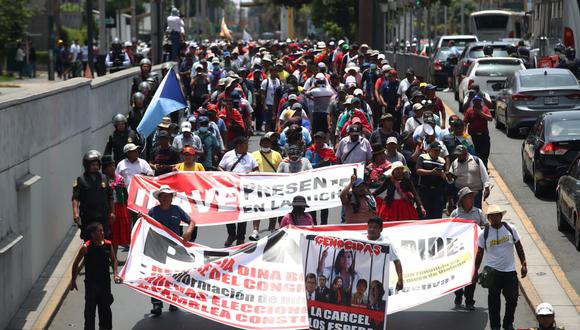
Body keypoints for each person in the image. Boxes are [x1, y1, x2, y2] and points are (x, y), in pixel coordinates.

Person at [473, 205, 527, 330]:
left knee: (513, 299)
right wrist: (475, 270)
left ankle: (508, 323)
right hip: (493, 273)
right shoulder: (484, 233)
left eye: (497, 215)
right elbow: (480, 253)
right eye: (492, 216)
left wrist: (524, 263)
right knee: (494, 303)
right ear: (489, 218)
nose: (495, 218)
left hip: (509, 272)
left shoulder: (510, 229)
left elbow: (518, 246)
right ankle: (495, 326)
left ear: (501, 216)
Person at [147, 185, 196, 315]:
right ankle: (157, 304)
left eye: (168, 196)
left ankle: (173, 301)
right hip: (157, 247)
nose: (166, 198)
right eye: (163, 196)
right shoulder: (152, 212)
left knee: (175, 274)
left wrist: (188, 232)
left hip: (175, 247)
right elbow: (145, 227)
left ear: (172, 198)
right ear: (159, 198)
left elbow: (191, 221)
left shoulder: (177, 210)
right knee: (157, 275)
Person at [70, 222, 121, 330]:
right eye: (99, 231)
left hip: (105, 285)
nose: (103, 233)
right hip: (91, 286)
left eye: (102, 230)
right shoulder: (86, 247)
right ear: (93, 234)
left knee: (105, 314)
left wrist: (115, 274)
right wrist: (73, 280)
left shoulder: (108, 244)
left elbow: (113, 260)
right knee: (89, 315)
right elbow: (75, 264)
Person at [450, 187, 486, 310]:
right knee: (459, 273)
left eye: (472, 196)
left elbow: (486, 226)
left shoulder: (479, 213)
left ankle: (469, 300)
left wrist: (480, 229)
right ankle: (458, 294)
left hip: (474, 249)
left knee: (472, 274)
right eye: (468, 197)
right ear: (462, 200)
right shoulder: (455, 213)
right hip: (459, 249)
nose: (471, 199)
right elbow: (449, 230)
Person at [219, 137, 259, 246]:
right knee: (229, 212)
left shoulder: (250, 157)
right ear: (238, 146)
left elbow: (256, 170)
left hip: (244, 189)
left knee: (242, 213)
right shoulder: (228, 155)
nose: (247, 146)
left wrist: (251, 176)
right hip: (229, 189)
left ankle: (241, 237)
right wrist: (227, 175)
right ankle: (231, 234)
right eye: (245, 144)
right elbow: (220, 167)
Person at [72, 150, 114, 241]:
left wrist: (112, 212)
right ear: (87, 166)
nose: (95, 167)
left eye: (97, 164)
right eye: (93, 165)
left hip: (102, 216)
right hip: (88, 217)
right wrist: (75, 213)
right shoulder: (81, 180)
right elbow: (75, 198)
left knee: (104, 239)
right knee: (89, 240)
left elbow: (110, 197)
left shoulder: (104, 178)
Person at [250, 135, 282, 238]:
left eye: (267, 143)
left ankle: (272, 228)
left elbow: (281, 169)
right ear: (260, 144)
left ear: (271, 144)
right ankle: (255, 230)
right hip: (258, 186)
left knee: (273, 207)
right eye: (263, 143)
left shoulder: (277, 155)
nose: (266, 144)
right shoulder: (253, 155)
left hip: (273, 185)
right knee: (257, 208)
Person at [101, 155, 130, 259]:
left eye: (113, 165)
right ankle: (108, 256)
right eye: (110, 166)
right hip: (109, 210)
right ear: (104, 169)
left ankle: (114, 257)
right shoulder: (103, 181)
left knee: (117, 235)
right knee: (110, 234)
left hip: (120, 208)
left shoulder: (120, 179)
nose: (113, 167)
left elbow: (125, 194)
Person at [365, 217, 404, 293]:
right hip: (363, 278)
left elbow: (396, 261)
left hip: (379, 281)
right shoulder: (360, 240)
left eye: (375, 227)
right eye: (370, 227)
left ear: (381, 229)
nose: (372, 229)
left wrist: (400, 279)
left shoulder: (386, 244)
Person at [448, 145, 490, 209]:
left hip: (475, 193)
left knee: (475, 212)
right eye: (457, 155)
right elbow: (451, 180)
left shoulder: (476, 160)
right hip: (461, 194)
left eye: (460, 155)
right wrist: (449, 178)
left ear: (466, 153)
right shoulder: (454, 163)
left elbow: (484, 174)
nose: (458, 157)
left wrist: (487, 187)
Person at [416, 142, 447, 219]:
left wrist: (443, 175)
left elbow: (444, 173)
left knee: (437, 214)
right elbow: (418, 170)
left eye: (439, 151)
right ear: (430, 150)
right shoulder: (422, 157)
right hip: (425, 190)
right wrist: (431, 172)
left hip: (437, 191)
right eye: (435, 150)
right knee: (424, 214)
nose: (437, 152)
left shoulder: (442, 160)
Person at [464, 96, 492, 168]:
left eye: (478, 101)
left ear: (480, 101)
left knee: (484, 154)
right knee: (473, 153)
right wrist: (464, 133)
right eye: (475, 101)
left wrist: (481, 113)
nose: (477, 103)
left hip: (483, 136)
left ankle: (484, 168)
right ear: (473, 102)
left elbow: (490, 118)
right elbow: (465, 122)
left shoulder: (485, 109)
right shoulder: (469, 110)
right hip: (473, 136)